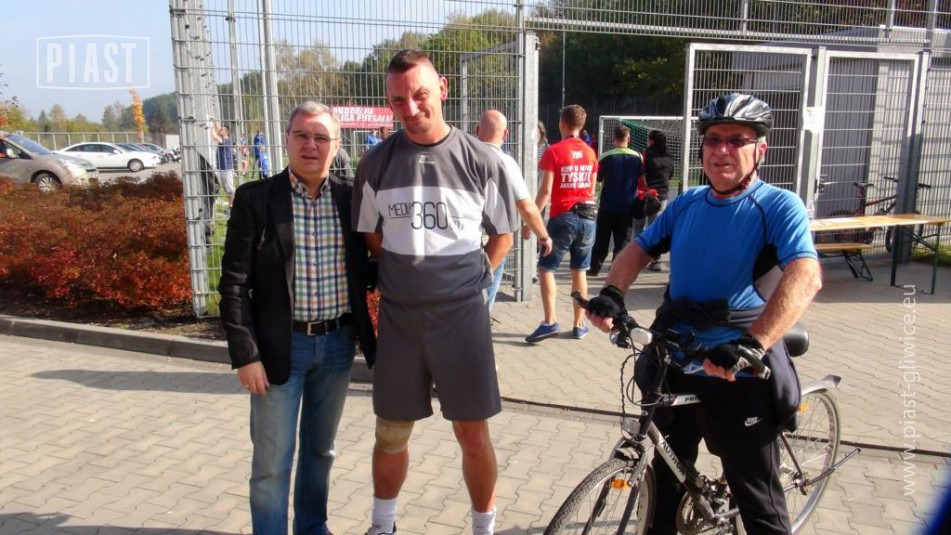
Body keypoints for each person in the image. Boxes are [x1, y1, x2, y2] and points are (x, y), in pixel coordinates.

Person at [585, 93, 823, 535]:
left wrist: (753, 344)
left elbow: (805, 276)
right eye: (713, 139)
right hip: (675, 358)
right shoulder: (687, 203)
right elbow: (639, 249)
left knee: (756, 497)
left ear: (761, 149)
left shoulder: (777, 205)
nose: (722, 150)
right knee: (666, 480)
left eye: (737, 140)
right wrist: (613, 293)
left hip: (737, 368)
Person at [354, 50, 517, 535]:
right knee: (390, 433)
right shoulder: (375, 162)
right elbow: (373, 237)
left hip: (461, 319)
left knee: (472, 433)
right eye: (397, 100)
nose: (410, 108)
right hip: (400, 318)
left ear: (442, 88)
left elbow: (503, 235)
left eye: (420, 94)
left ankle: (484, 527)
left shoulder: (483, 159)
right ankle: (383, 525)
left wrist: (472, 281)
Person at [218, 101, 377, 535]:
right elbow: (233, 284)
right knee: (272, 461)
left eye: (321, 137)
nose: (311, 145)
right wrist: (246, 355)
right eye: (302, 135)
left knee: (321, 452)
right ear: (286, 140)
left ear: (336, 145)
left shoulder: (351, 199)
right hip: (278, 349)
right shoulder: (256, 200)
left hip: (338, 346)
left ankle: (312, 527)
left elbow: (372, 267)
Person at [525, 104, 599, 343]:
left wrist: (532, 220)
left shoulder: (554, 151)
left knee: (546, 268)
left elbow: (545, 191)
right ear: (581, 125)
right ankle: (579, 324)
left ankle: (550, 321)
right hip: (588, 217)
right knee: (580, 270)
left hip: (563, 216)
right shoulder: (590, 153)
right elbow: (591, 189)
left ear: (562, 124)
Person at [475, 109, 553, 310]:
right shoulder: (505, 162)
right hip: (492, 241)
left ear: (476, 131)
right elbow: (525, 205)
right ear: (506, 134)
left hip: (460, 243)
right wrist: (543, 236)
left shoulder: (460, 157)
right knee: (481, 300)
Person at [587, 125, 642, 277]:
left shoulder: (605, 157)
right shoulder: (637, 157)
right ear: (629, 138)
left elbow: (598, 178)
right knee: (622, 241)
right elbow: (641, 178)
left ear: (614, 139)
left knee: (602, 239)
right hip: (628, 205)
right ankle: (616, 269)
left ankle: (595, 267)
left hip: (607, 204)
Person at [634, 129, 675, 271]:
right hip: (661, 196)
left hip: (644, 195)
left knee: (638, 226)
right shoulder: (669, 156)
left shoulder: (645, 154)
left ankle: (638, 256)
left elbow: (639, 172)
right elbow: (670, 175)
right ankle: (655, 259)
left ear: (651, 141)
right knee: (656, 227)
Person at [211, 121, 236, 205]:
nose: (219, 130)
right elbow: (218, 129)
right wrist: (214, 121)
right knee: (227, 190)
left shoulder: (226, 140)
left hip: (227, 169)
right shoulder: (223, 138)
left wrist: (211, 126)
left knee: (230, 190)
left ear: (226, 132)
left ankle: (234, 206)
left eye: (222, 129)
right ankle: (231, 206)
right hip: (221, 168)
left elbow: (215, 136)